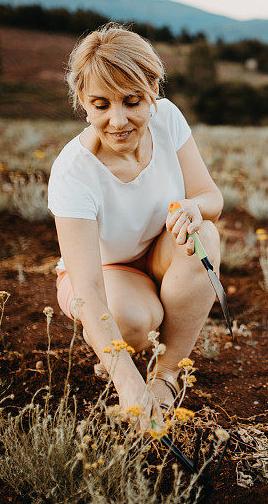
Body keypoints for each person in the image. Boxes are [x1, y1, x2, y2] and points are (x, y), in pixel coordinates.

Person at [47, 22, 223, 431]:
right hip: (106, 273)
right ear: (82, 103)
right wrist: (128, 384)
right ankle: (120, 362)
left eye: (132, 101)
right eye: (101, 105)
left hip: (160, 253)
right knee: (132, 323)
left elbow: (211, 197)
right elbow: (89, 290)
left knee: (204, 236)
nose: (118, 120)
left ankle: (166, 376)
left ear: (153, 91)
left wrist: (195, 208)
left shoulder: (169, 121)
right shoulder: (73, 173)